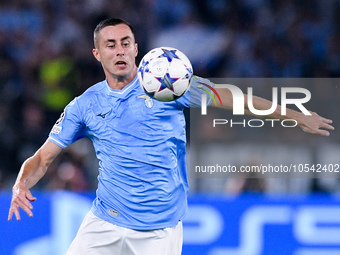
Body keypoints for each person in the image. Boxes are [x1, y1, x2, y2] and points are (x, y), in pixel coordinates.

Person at [8, 18, 334, 255]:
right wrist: (22, 183)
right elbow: (43, 157)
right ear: (97, 54)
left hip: (158, 231)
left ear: (136, 48)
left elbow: (233, 98)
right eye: (111, 45)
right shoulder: (85, 105)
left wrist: (293, 115)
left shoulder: (167, 85)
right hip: (105, 222)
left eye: (125, 43)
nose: (120, 51)